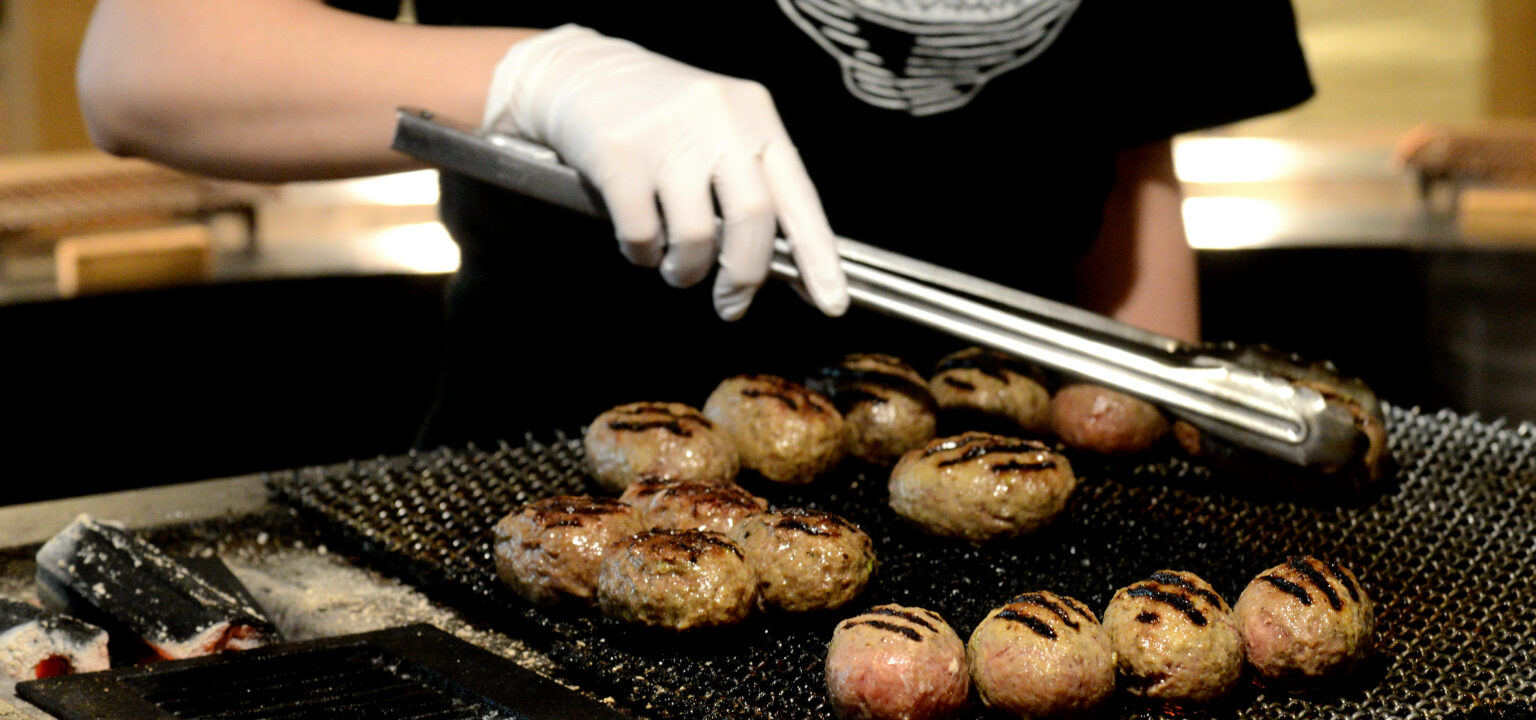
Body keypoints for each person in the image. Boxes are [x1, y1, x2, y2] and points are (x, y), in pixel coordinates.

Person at [76, 1, 1313, 446]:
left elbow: (1130, 162)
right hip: (559, 532)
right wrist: (541, 77)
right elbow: (148, 59)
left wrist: (1150, 463)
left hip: (996, 553)